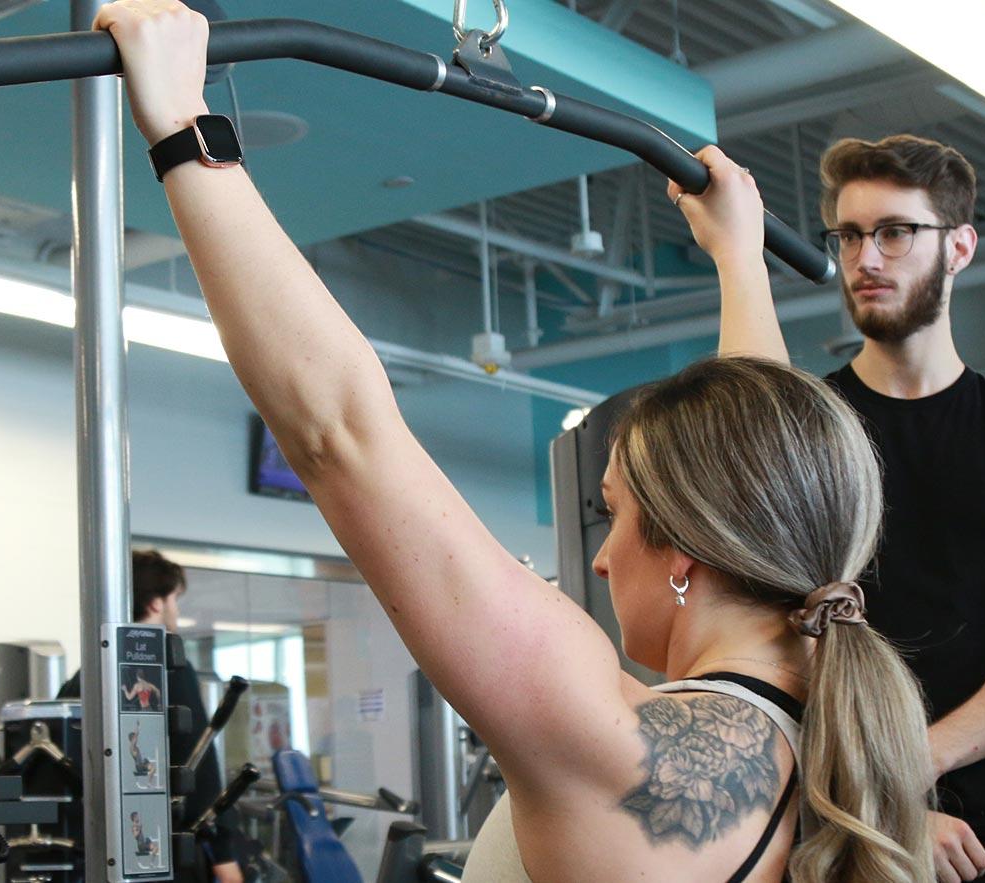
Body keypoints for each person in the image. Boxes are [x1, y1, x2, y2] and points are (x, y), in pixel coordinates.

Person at [98, 2, 938, 879]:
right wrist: (738, 257)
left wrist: (182, 129)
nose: (604, 559)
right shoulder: (842, 745)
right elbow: (764, 457)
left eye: (612, 514)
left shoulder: (610, 744)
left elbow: (342, 434)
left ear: (689, 551)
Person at [700, 133, 985, 881]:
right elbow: (781, 631)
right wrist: (882, 797)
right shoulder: (816, 426)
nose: (867, 258)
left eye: (895, 232)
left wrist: (919, 761)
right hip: (843, 822)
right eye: (850, 235)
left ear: (959, 247)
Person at [61, 550, 243, 883]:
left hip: (96, 849)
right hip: (168, 849)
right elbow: (196, 759)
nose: (176, 609)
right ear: (156, 603)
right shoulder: (169, 662)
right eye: (174, 599)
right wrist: (224, 852)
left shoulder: (88, 673)